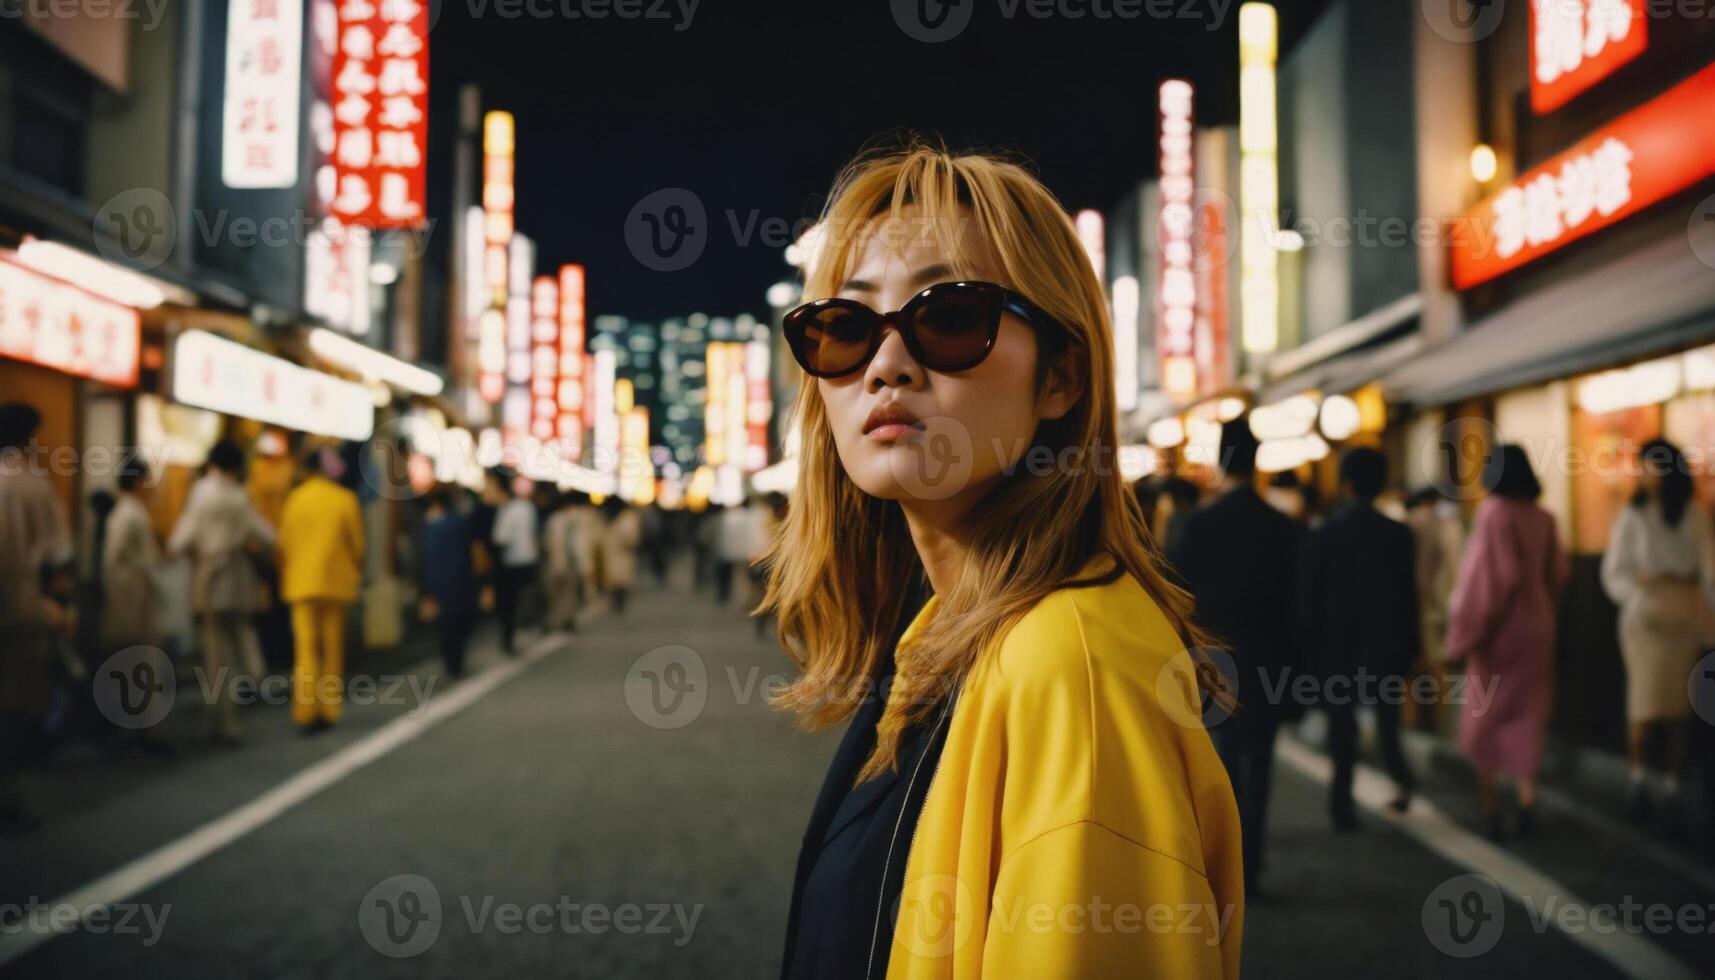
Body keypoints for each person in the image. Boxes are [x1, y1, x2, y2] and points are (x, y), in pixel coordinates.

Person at [765, 141, 1241, 978]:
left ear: (1060, 377)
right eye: (843, 328)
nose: (885, 366)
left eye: (947, 317)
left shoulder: (1074, 667)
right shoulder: (946, 633)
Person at [1170, 415, 1305, 893]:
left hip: (1215, 663)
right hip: (1270, 661)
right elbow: (1299, 605)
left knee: (1220, 766)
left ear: (1221, 463)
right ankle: (1253, 864)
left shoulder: (1200, 524)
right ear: (1258, 463)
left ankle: (1221, 868)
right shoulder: (1283, 527)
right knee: (1261, 761)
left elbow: (1178, 595)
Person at [1448, 444, 1568, 840]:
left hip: (1501, 632)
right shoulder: (1545, 518)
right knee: (1528, 717)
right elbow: (1558, 574)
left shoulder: (1494, 513)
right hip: (1539, 626)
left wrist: (1464, 635)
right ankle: (1528, 802)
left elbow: (1488, 582)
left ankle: (1492, 811)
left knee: (1486, 720)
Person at [1302, 447, 1420, 829]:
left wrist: (1308, 649)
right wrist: (1411, 646)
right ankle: (1402, 781)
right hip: (1386, 642)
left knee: (1341, 728)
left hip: (1338, 645)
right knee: (1388, 722)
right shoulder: (1399, 534)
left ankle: (1342, 806)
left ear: (1346, 484)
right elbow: (1408, 595)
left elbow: (1311, 596)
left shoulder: (1325, 534)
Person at [1600, 438, 1715, 828]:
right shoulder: (1633, 515)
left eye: (1651, 466)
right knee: (1645, 706)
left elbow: (1709, 571)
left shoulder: (1695, 513)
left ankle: (1671, 786)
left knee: (1680, 710)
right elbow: (1615, 572)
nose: (1645, 474)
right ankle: (1640, 781)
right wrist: (1637, 596)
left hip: (1684, 614)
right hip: (1646, 618)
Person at [169, 440, 275, 745]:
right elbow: (262, 531)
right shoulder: (239, 495)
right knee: (240, 637)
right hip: (237, 576)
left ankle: (219, 718)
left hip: (210, 579)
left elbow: (185, 534)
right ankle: (249, 686)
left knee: (215, 655)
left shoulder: (202, 492)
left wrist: (174, 550)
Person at [0, 403, 74, 833]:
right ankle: (8, 797)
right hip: (22, 612)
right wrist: (62, 607)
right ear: (28, 438)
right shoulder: (30, 484)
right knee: (17, 704)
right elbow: (57, 558)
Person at [277, 445, 364, 734]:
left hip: (301, 584)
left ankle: (305, 713)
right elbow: (358, 547)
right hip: (335, 585)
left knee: (305, 650)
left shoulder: (294, 499)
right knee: (331, 649)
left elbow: (284, 544)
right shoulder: (345, 499)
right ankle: (329, 709)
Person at [101, 452, 163, 655]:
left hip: (135, 587)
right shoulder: (128, 512)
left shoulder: (129, 510)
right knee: (138, 649)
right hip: (132, 590)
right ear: (138, 481)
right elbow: (115, 554)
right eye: (146, 480)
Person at [418, 486, 479, 678]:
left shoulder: (430, 528)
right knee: (458, 625)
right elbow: (470, 553)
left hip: (438, 583)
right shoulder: (460, 523)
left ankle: (450, 664)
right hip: (461, 581)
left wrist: (425, 590)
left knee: (444, 627)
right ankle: (457, 663)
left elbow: (424, 559)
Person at [489, 474, 539, 654]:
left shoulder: (508, 510)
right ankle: (523, 629)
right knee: (521, 599)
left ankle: (509, 639)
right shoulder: (529, 508)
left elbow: (501, 537)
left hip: (511, 562)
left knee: (508, 604)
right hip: (528, 560)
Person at [541, 492, 583, 633]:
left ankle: (553, 621)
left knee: (554, 594)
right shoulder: (566, 519)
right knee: (567, 593)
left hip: (556, 561)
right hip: (565, 561)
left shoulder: (555, 520)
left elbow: (549, 542)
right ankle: (565, 620)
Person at [600, 496, 641, 615]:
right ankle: (618, 603)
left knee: (617, 580)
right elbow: (632, 539)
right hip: (619, 554)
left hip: (616, 553)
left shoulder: (615, 518)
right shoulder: (627, 518)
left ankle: (617, 602)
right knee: (619, 580)